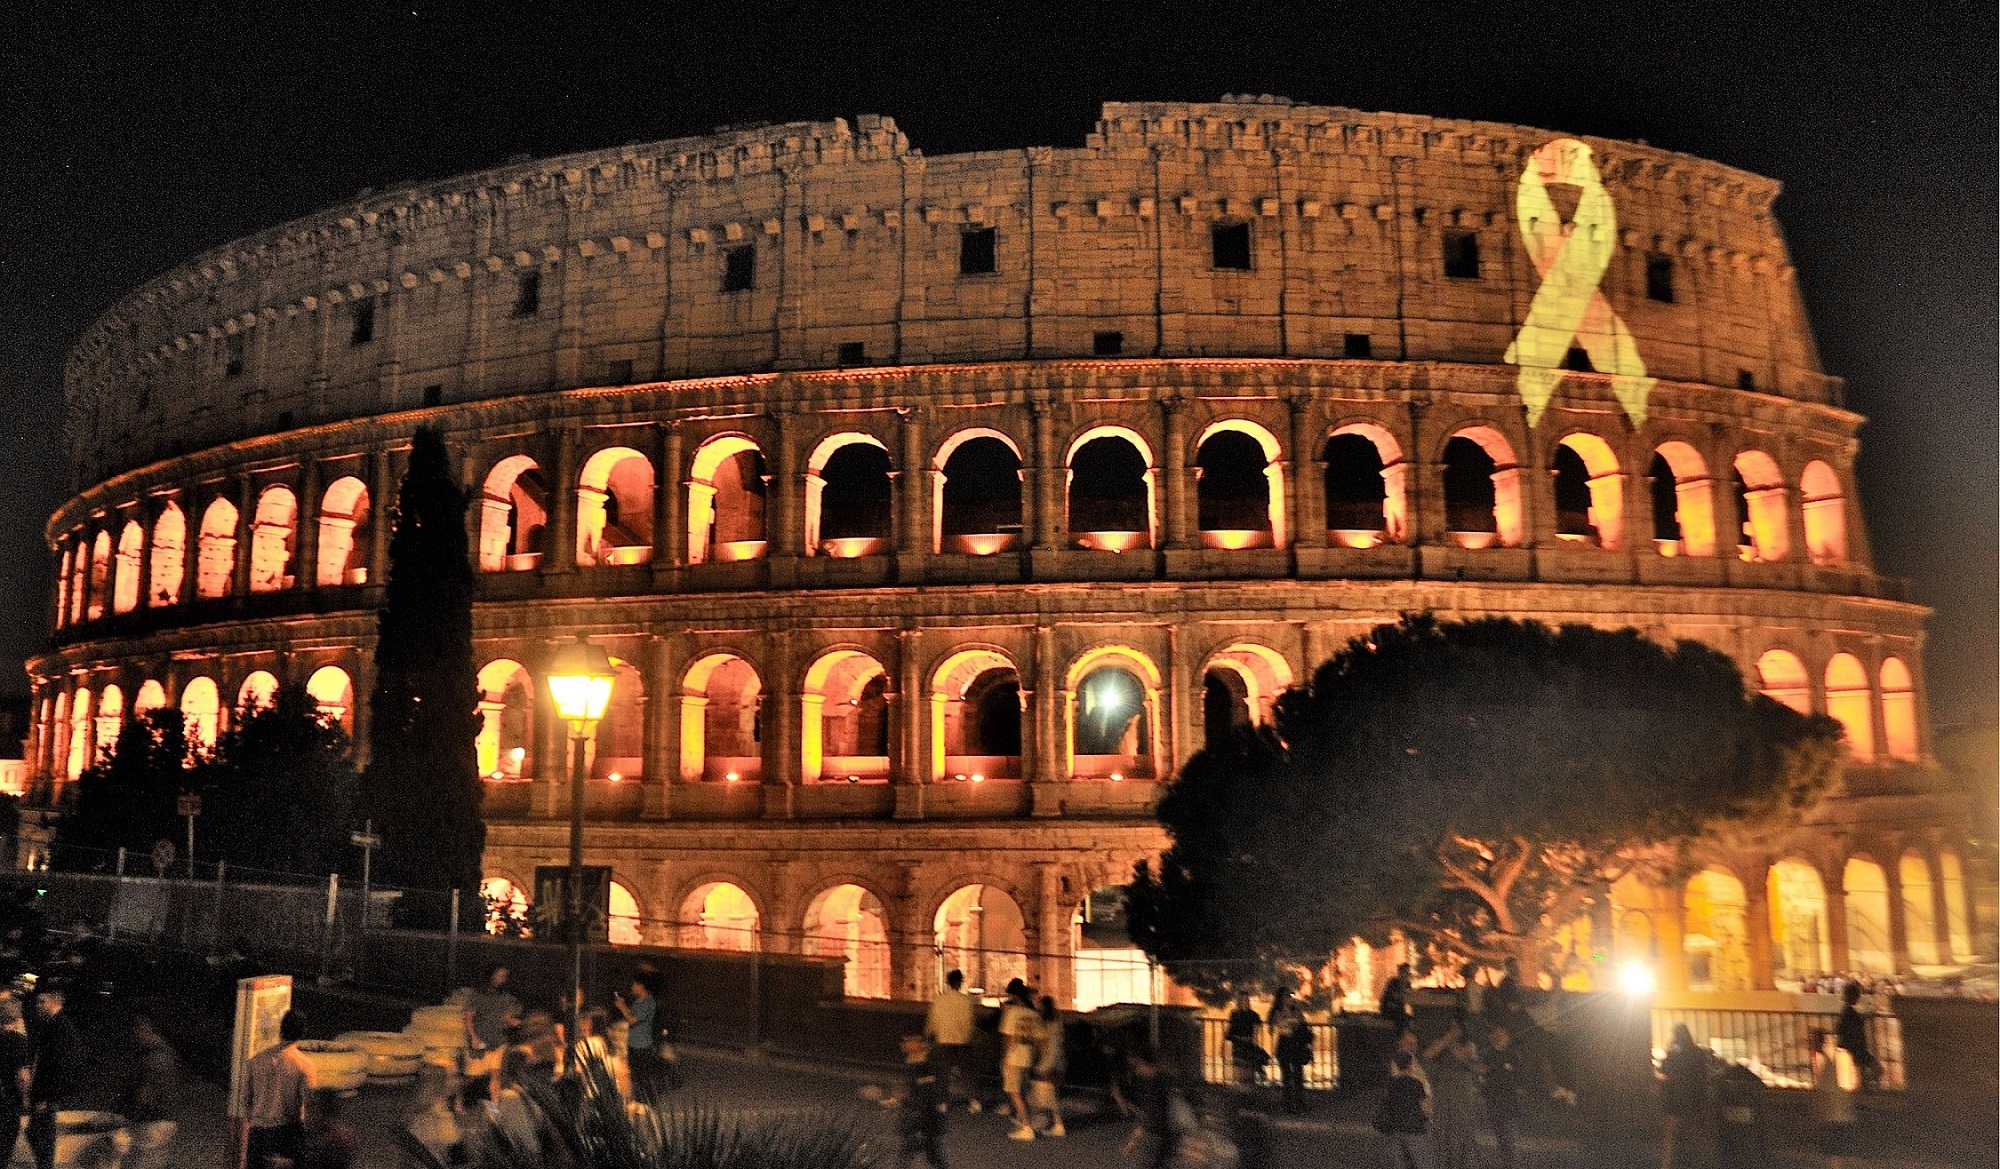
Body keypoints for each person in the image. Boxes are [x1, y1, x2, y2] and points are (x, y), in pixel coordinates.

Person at [240, 1008, 312, 1169]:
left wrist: (254, 1121)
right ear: (303, 1032)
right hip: (288, 1131)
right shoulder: (304, 1065)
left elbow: (246, 1098)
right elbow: (309, 1103)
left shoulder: (256, 1061)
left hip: (258, 1132)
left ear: (281, 1029)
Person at [118, 1015, 179, 1169]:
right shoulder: (167, 1054)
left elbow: (144, 1096)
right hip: (166, 1120)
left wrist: (124, 1120)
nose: (135, 1033)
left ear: (151, 1031)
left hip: (150, 1124)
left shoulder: (153, 1060)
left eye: (140, 1029)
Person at [882, 1034, 949, 1168]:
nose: (904, 1044)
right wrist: (898, 1096)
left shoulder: (929, 1061)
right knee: (931, 1154)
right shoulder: (913, 1061)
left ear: (919, 1042)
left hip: (924, 1117)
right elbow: (911, 1087)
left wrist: (903, 1098)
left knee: (913, 1152)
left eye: (907, 1041)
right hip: (919, 1117)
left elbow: (930, 1091)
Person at [1423, 1018, 1481, 1169]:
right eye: (1452, 1027)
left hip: (1462, 1093)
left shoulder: (1470, 1045)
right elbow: (1427, 1055)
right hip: (1443, 1092)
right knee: (1442, 1136)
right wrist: (1447, 1040)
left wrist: (1464, 1058)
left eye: (1457, 1028)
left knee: (1460, 1137)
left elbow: (1479, 1068)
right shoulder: (1442, 1044)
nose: (1455, 1030)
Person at [1121, 1047, 1185, 1169]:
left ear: (1142, 1062)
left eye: (1137, 1066)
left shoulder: (1153, 1083)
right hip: (1169, 1134)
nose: (1137, 1071)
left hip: (1156, 1136)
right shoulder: (1164, 1079)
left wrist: (1136, 1138)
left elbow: (1153, 1114)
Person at [463, 965, 522, 1095]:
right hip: (481, 1041)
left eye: (504, 976)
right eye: (499, 975)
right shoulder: (477, 995)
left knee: (495, 1076)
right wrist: (473, 1037)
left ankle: (494, 1108)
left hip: (498, 1041)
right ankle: (459, 1101)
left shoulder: (504, 996)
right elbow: (468, 1018)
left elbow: (505, 1017)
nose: (501, 979)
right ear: (491, 975)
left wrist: (517, 1022)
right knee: (473, 1077)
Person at [923, 969, 977, 1113]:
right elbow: (968, 1022)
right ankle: (973, 1101)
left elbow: (933, 1020)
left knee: (942, 1074)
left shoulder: (939, 999)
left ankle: (943, 1103)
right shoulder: (966, 1001)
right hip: (961, 1041)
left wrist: (929, 1034)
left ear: (948, 983)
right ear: (960, 983)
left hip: (944, 1040)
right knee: (966, 1073)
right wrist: (967, 1036)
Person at [1656, 1023, 1709, 1169]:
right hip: (1693, 1102)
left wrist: (1668, 1047)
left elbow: (1662, 1070)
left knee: (1669, 1139)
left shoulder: (1674, 1054)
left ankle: (1666, 1165)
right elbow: (1703, 1078)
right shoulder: (1698, 1053)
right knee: (1693, 1139)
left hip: (1674, 1101)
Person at [1375, 1050, 1432, 1169]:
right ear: (1410, 1065)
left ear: (1396, 1065)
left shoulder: (1391, 1084)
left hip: (1396, 1129)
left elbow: (1386, 1103)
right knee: (1422, 1163)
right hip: (1415, 1129)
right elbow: (1425, 1107)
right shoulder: (1417, 1084)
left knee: (1399, 1164)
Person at [1809, 1029, 1857, 1169]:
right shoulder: (1840, 1055)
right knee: (1839, 1147)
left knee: (1833, 1148)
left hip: (1832, 1112)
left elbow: (1824, 1087)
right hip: (1841, 1110)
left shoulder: (1825, 1058)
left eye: (1814, 1041)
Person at [997, 981, 1039, 1139]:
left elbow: (1009, 1037)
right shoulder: (1033, 1013)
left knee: (1014, 1091)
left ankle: (1026, 1126)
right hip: (1027, 1055)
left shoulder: (1012, 1012)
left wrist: (1005, 1057)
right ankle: (1026, 1121)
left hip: (1013, 1057)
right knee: (1023, 1090)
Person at [1479, 1023, 1521, 1169]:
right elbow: (1484, 1073)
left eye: (1502, 1034)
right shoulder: (1487, 1055)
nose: (1499, 1037)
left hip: (1508, 1103)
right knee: (1502, 1138)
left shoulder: (1512, 1055)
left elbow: (1516, 1076)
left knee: (1508, 1139)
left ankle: (1509, 1163)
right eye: (1496, 1034)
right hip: (1494, 1102)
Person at [613, 976, 663, 1099]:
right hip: (634, 1044)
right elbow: (631, 1015)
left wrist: (621, 1006)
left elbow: (632, 1020)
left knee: (643, 1076)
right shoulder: (638, 1001)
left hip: (643, 1045)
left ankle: (646, 1101)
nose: (632, 988)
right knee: (635, 1075)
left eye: (634, 985)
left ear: (641, 986)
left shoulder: (648, 1002)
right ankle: (638, 1100)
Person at [1268, 987, 1313, 1114]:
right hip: (1284, 1046)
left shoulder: (1296, 1010)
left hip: (1296, 1045)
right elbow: (1273, 1029)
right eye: (1287, 996)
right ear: (1281, 999)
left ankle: (1299, 1103)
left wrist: (1296, 1013)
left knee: (1298, 1075)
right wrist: (1283, 1020)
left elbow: (1303, 1024)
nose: (1289, 999)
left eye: (1291, 996)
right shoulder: (1277, 1012)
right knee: (1287, 1076)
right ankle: (1288, 1104)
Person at [1027, 995, 1066, 1137]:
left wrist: (1042, 1064)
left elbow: (1042, 1046)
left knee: (1040, 1095)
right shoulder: (1057, 1022)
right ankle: (1057, 1124)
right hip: (1059, 1061)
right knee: (1052, 1096)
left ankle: (1050, 1124)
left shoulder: (1044, 1024)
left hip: (1048, 1063)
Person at [295, 1089, 356, 1169]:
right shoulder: (310, 1134)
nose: (304, 1114)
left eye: (310, 1108)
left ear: (325, 1114)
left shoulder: (337, 1140)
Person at [1834, 982, 1879, 1090]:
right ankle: (1866, 1090)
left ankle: (1864, 1091)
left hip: (1854, 1047)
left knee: (1862, 1072)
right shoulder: (1849, 1011)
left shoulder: (1847, 1010)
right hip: (1857, 1047)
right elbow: (1850, 1024)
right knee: (1876, 1069)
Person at [0, 1000, 28, 1169]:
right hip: (8, 1101)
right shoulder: (18, 1041)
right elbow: (22, 1076)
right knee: (4, 1146)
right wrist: (26, 1098)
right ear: (17, 1018)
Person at [1224, 991, 1267, 1088]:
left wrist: (1254, 1044)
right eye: (1243, 1000)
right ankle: (1241, 1089)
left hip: (1247, 1044)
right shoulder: (1234, 1014)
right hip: (1237, 1044)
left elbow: (1255, 1032)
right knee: (1239, 1070)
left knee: (1248, 1069)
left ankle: (1248, 1090)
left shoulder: (1253, 1015)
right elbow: (1230, 1029)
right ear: (1239, 1001)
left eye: (1246, 1000)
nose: (1245, 1002)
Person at [1380, 963, 1414, 1030]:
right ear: (1400, 973)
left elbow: (1411, 997)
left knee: (1410, 1018)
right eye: (1405, 972)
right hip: (1388, 1009)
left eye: (1408, 973)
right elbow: (1392, 997)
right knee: (1401, 1019)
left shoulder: (1408, 984)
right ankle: (1399, 1036)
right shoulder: (1393, 982)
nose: (1407, 975)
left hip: (1399, 1010)